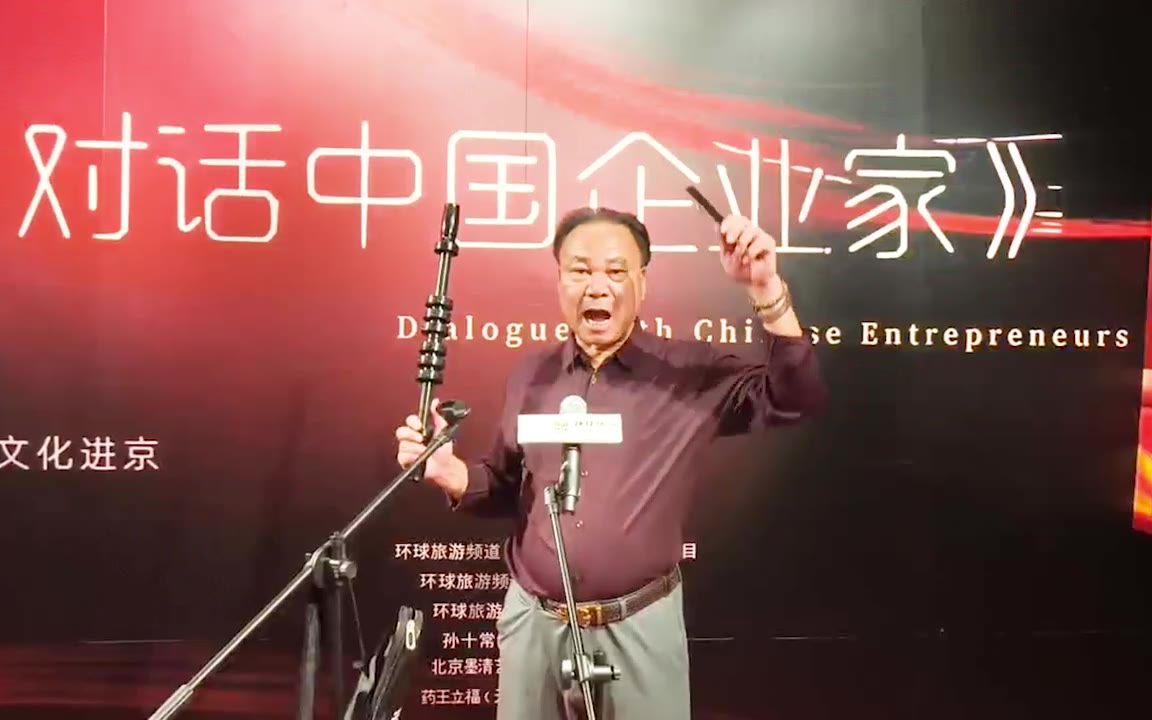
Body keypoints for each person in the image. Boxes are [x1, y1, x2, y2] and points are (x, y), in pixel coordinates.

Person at [395, 207, 826, 719]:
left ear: (642, 283)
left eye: (616, 271)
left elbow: (796, 398)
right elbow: (509, 486)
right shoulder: (532, 374)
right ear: (560, 281)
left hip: (639, 625)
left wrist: (765, 288)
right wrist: (453, 474)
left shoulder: (688, 371)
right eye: (580, 270)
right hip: (534, 625)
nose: (597, 287)